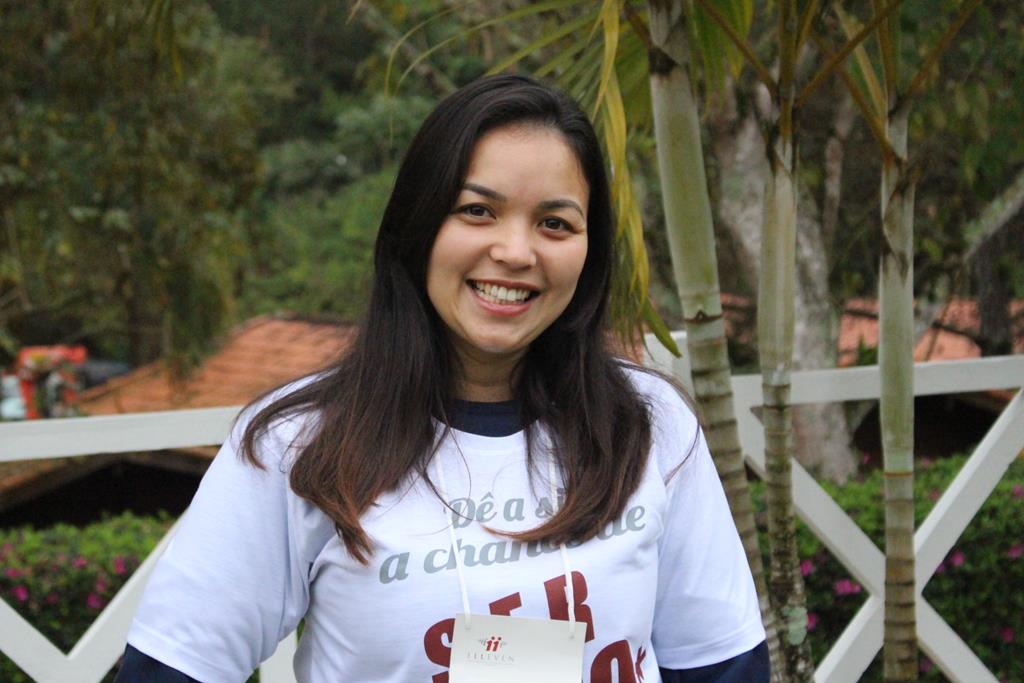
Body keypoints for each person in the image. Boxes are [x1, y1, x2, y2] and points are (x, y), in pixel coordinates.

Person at [115, 74, 769, 682]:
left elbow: (723, 668)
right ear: (418, 225)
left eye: (555, 223)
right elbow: (174, 666)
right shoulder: (295, 443)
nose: (515, 252)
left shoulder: (650, 423)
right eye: (477, 211)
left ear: (588, 250)